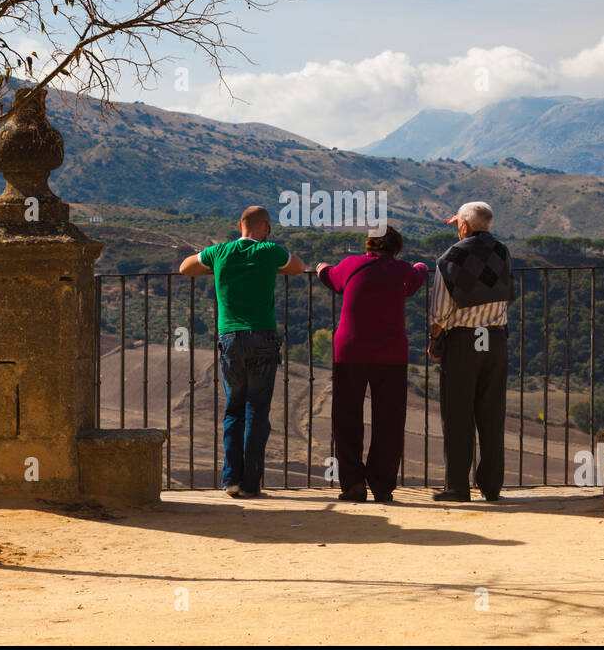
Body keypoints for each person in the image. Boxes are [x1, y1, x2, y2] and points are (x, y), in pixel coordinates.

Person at [179, 206, 305, 497]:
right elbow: (298, 266)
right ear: (266, 227)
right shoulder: (269, 250)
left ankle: (231, 480)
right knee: (257, 411)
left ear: (240, 225)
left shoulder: (219, 251)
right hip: (263, 336)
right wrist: (272, 259)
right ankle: (251, 483)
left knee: (233, 409)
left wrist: (215, 264)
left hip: (231, 339)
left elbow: (186, 268)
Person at [316, 226, 428, 503]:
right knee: (389, 421)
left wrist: (321, 267)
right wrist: (422, 265)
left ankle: (353, 483)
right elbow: (418, 277)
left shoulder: (351, 265)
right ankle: (382, 485)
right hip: (391, 354)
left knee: (346, 419)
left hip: (350, 352)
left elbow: (329, 276)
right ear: (395, 249)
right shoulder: (402, 270)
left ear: (368, 246)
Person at [427, 202, 512, 502]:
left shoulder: (450, 258)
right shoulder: (502, 252)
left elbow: (439, 312)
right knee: (491, 414)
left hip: (464, 342)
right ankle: (491, 486)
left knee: (458, 414)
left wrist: (435, 339)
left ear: (462, 225)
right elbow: (480, 255)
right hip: (494, 340)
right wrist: (466, 228)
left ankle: (457, 486)